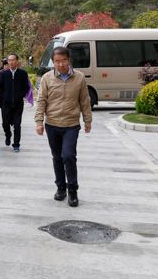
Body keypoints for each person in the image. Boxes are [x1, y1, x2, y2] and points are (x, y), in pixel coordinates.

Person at [34, 46, 92, 207]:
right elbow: (41, 101)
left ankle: (72, 189)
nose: (61, 64)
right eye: (57, 61)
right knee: (57, 157)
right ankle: (61, 187)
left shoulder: (79, 78)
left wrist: (87, 120)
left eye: (64, 60)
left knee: (68, 155)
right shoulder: (47, 78)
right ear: (53, 62)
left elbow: (84, 100)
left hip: (71, 124)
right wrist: (39, 122)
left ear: (69, 60)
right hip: (52, 124)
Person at [0, 53, 30, 152]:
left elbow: (26, 86)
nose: (10, 62)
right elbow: (0, 86)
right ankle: (8, 135)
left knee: (17, 124)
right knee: (5, 124)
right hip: (6, 104)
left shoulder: (23, 73)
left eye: (13, 60)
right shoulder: (4, 74)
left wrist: (20, 95)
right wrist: (4, 96)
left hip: (18, 104)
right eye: (9, 60)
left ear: (17, 61)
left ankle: (16, 144)